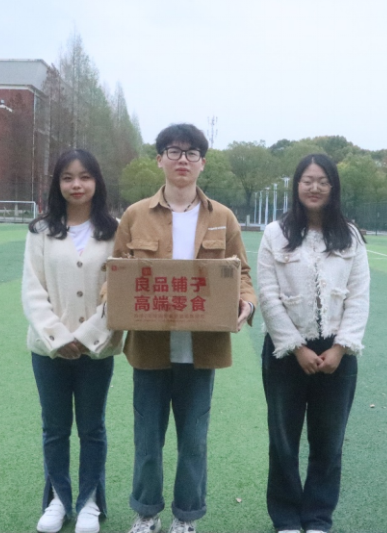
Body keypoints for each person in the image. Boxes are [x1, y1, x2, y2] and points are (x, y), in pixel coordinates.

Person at [112, 123, 257, 533]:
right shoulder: (135, 215)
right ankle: (146, 513)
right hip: (149, 348)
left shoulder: (222, 217)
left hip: (201, 349)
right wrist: (113, 302)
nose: (182, 160)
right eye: (173, 151)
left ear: (202, 163)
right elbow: (115, 273)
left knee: (194, 440)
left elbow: (242, 274)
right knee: (147, 439)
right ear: (159, 159)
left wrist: (246, 303)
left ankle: (186, 517)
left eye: (191, 153)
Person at [257, 153, 370, 533]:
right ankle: (287, 518)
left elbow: (358, 297)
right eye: (308, 180)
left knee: (329, 443)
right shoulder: (275, 233)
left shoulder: (350, 236)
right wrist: (296, 346)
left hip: (337, 356)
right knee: (283, 440)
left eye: (323, 181)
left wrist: (340, 347)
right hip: (286, 355)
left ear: (333, 187)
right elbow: (268, 295)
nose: (315, 187)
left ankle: (318, 517)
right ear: (297, 186)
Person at [22, 149, 123, 533]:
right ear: (57, 183)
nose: (76, 185)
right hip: (48, 350)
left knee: (92, 428)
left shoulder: (115, 231)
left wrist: (86, 338)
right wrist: (58, 337)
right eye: (67, 177)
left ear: (97, 182)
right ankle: (58, 500)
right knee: (55, 428)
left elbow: (119, 290)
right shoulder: (40, 231)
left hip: (97, 350)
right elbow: (33, 290)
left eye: (84, 177)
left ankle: (90, 502)